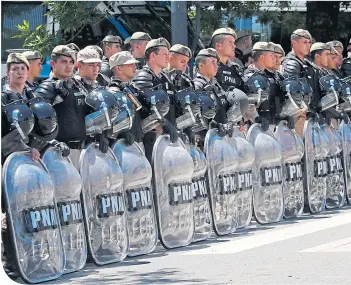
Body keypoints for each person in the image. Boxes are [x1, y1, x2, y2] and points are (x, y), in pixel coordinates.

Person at [34, 45, 95, 168]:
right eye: (63, 62)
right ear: (53, 63)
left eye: (71, 62)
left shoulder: (79, 86)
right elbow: (38, 123)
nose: (68, 66)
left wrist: (100, 136)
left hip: (84, 151)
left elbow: (92, 116)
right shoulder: (47, 88)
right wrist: (52, 143)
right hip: (58, 153)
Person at [132, 37, 179, 160]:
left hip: (167, 138)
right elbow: (145, 108)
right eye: (164, 54)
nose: (168, 57)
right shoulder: (143, 76)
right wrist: (164, 123)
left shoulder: (165, 78)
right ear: (153, 55)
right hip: (151, 138)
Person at [244, 42, 294, 130]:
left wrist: (285, 115)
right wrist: (256, 118)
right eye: (271, 56)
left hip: (272, 125)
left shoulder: (269, 76)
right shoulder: (250, 76)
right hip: (257, 128)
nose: (274, 59)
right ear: (262, 57)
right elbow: (248, 102)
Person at [107, 51, 141, 145]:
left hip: (137, 142)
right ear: (119, 68)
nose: (135, 67)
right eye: (130, 65)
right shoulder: (112, 92)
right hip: (121, 145)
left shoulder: (133, 88)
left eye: (134, 64)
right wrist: (122, 133)